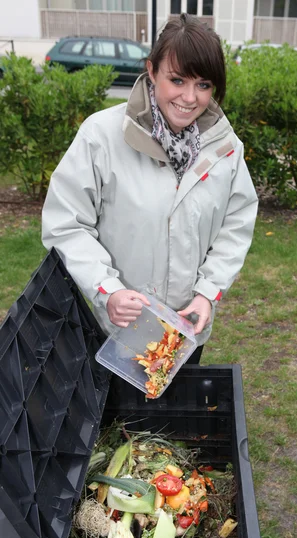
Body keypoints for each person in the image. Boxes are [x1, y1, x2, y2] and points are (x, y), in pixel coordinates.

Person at [42, 13, 258, 364]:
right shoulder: (101, 136)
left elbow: (236, 227)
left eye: (203, 85)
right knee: (120, 419)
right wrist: (107, 290)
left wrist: (206, 294)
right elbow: (65, 224)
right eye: (177, 80)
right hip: (114, 326)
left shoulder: (226, 147)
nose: (190, 98)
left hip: (185, 328)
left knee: (169, 417)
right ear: (152, 71)